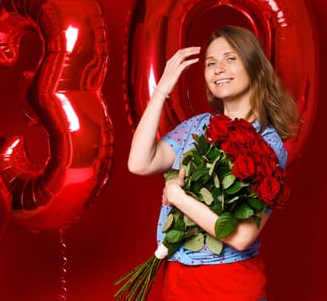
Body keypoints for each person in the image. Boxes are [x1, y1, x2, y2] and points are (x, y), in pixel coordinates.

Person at [127, 26, 299, 300]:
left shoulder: (268, 143)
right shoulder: (197, 127)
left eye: (230, 58)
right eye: (210, 63)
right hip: (179, 283)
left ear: (254, 66)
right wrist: (161, 91)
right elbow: (139, 162)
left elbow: (242, 236)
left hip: (229, 287)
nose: (218, 68)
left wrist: (178, 197)